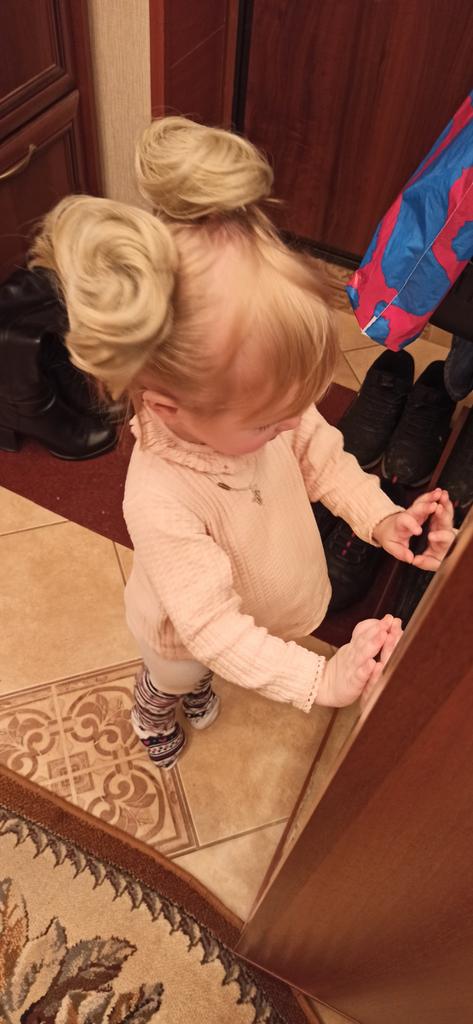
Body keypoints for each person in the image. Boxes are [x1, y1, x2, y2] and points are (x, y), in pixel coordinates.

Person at [29, 117, 455, 770]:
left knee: (212, 667)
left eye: (296, 406)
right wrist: (318, 680)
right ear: (170, 408)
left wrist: (380, 517)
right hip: (184, 635)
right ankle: (152, 707)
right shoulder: (160, 499)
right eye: (268, 422)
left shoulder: (265, 410)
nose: (291, 425)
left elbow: (320, 456)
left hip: (261, 599)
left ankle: (194, 684)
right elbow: (215, 629)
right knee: (181, 673)